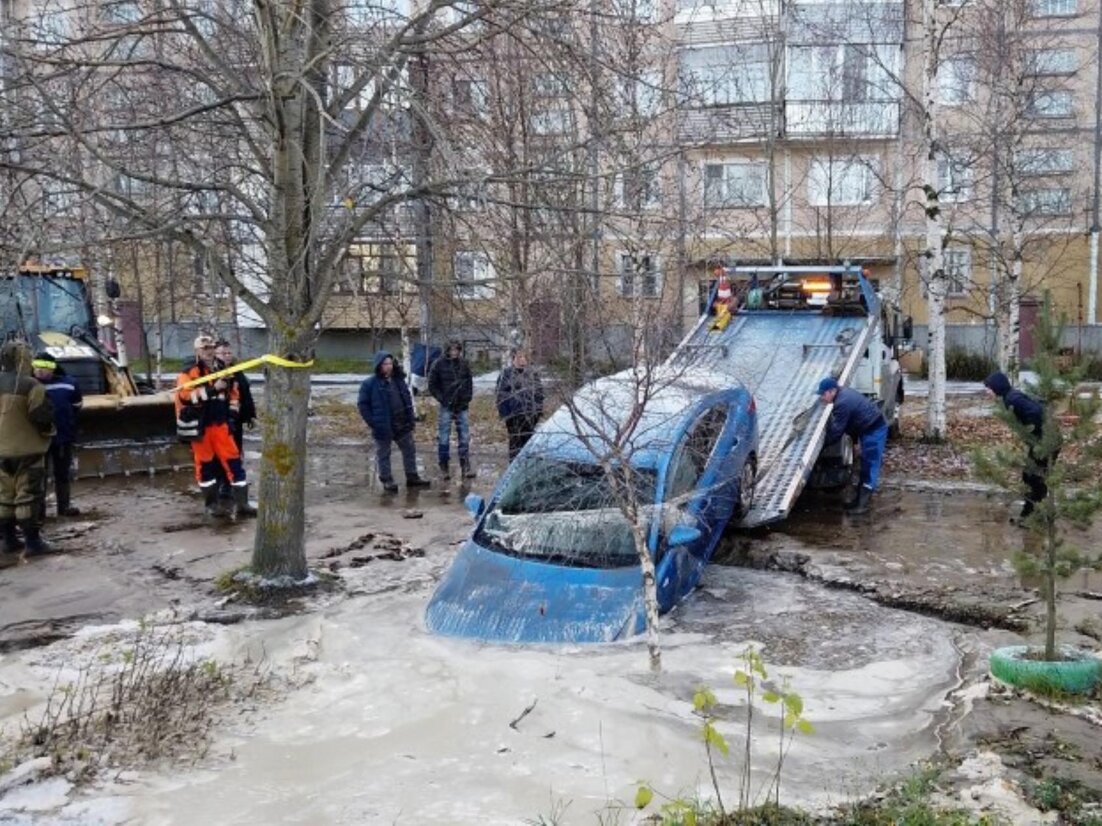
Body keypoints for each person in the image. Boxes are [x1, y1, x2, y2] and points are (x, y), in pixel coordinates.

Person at [175, 335, 256, 519]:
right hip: (201, 427)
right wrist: (212, 390)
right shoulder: (188, 372)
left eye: (211, 347)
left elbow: (234, 393)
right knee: (205, 466)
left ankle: (243, 504)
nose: (209, 351)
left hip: (221, 424)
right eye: (205, 348)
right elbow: (186, 397)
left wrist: (232, 415)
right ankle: (211, 505)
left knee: (234, 462)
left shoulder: (222, 369)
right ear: (197, 351)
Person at [0, 341, 55, 555]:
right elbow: (40, 416)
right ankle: (33, 542)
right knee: (28, 495)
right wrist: (49, 430)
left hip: (1, 452)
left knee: (4, 496)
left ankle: (8, 540)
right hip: (28, 450)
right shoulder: (32, 386)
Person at [983, 371, 1055, 521]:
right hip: (1044, 440)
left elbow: (1035, 411)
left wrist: (1031, 432)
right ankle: (1033, 515)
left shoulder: (1012, 399)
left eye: (988, 388)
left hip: (1046, 441)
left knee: (1034, 478)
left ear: (997, 387)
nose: (986, 392)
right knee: (1031, 477)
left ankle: (1033, 517)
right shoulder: (1010, 397)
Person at [358, 351, 431, 494]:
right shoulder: (370, 384)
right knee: (383, 453)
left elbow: (407, 400)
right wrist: (373, 422)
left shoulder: (399, 381)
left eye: (390, 363)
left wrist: (411, 419)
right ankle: (386, 479)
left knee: (409, 450)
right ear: (379, 365)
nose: (388, 366)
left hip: (402, 422)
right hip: (383, 424)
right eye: (385, 364)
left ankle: (412, 476)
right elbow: (363, 405)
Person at [816, 376, 888, 515]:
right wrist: (855, 443)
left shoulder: (842, 403)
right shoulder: (842, 395)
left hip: (874, 429)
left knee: (870, 465)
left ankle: (862, 506)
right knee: (865, 465)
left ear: (832, 391)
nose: (822, 398)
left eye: (823, 394)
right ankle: (858, 501)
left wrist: (821, 448)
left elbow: (836, 432)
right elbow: (852, 424)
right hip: (867, 428)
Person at [32, 352, 82, 518]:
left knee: (62, 473)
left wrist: (69, 424)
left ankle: (64, 507)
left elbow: (77, 405)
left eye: (45, 367)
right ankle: (39, 511)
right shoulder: (29, 385)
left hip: (62, 437)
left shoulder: (69, 383)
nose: (40, 371)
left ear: (53, 368)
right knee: (39, 475)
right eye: (37, 367)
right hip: (38, 439)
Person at [213, 338, 257, 500]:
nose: (226, 356)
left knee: (236, 452)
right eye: (222, 353)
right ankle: (223, 485)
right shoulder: (214, 371)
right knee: (222, 455)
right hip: (220, 420)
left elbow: (245, 394)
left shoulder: (236, 370)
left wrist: (250, 415)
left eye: (229, 352)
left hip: (236, 419)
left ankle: (231, 484)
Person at [428, 339, 475, 480]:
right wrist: (443, 399)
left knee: (464, 436)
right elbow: (432, 385)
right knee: (444, 437)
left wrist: (466, 398)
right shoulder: (438, 364)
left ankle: (465, 465)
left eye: (456, 349)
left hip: (462, 405)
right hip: (446, 405)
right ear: (447, 350)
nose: (454, 352)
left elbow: (469, 383)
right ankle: (444, 466)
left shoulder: (464, 364)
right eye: (452, 349)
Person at [496, 348, 544, 462]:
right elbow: (500, 395)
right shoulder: (506, 374)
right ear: (513, 359)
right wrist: (506, 414)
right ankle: (513, 467)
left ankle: (527, 467)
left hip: (530, 415)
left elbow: (539, 394)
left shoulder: (532, 374)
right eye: (519, 357)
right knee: (515, 443)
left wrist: (537, 412)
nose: (522, 360)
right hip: (513, 416)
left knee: (528, 443)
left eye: (524, 357)